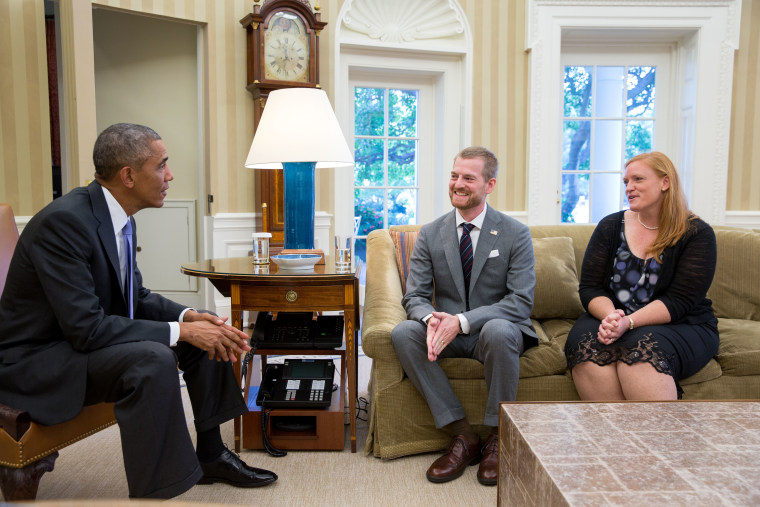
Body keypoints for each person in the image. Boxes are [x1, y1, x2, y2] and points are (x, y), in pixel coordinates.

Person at [0, 123, 277, 498]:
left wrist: (188, 319)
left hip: (76, 342)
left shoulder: (118, 218)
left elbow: (136, 296)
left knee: (206, 330)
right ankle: (161, 491)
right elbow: (88, 329)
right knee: (152, 358)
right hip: (39, 360)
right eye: (162, 165)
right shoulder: (63, 223)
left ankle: (212, 454)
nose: (170, 175)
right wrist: (181, 333)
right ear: (128, 175)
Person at [391, 146, 537, 486]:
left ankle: (498, 439)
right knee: (403, 333)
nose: (458, 183)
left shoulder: (516, 233)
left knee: (500, 330)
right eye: (455, 176)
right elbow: (414, 295)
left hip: (495, 333)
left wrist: (464, 321)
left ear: (489, 184)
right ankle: (463, 437)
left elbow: (520, 301)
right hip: (448, 334)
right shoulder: (431, 233)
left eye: (468, 178)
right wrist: (432, 321)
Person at [565, 151, 719, 400]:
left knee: (639, 350)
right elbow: (590, 288)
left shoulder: (696, 233)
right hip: (611, 315)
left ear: (665, 182)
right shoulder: (610, 226)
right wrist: (612, 318)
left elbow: (680, 301)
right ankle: (612, 436)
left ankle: (654, 437)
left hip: (679, 323)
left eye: (638, 179)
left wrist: (630, 322)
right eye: (626, 182)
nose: (629, 187)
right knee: (586, 347)